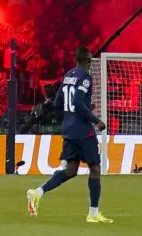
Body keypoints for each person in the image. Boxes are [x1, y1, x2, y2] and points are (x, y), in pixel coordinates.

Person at [26, 46, 112, 224]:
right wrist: (96, 120)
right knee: (95, 168)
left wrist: (84, 108)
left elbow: (59, 103)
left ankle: (37, 193)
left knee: (71, 170)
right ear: (88, 61)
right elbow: (77, 102)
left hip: (69, 129)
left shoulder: (67, 76)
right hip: (83, 130)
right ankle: (93, 214)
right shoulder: (86, 77)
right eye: (90, 61)